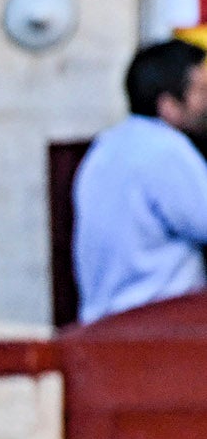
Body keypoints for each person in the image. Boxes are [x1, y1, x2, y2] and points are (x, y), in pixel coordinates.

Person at [73, 39, 207, 324]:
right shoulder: (166, 149)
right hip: (156, 328)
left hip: (105, 327)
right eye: (202, 91)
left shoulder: (106, 147)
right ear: (168, 105)